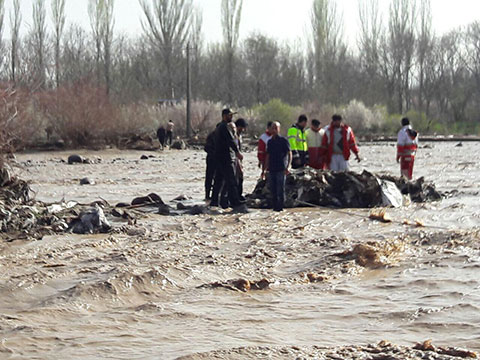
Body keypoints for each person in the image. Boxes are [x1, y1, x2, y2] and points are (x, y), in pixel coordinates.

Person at [210, 109, 245, 210]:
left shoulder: (219, 127)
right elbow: (230, 141)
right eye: (229, 115)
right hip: (226, 158)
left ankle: (214, 201)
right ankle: (235, 202)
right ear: (224, 116)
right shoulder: (224, 127)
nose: (231, 117)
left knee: (218, 181)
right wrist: (237, 152)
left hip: (220, 158)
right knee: (231, 180)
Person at [266, 122, 292, 212]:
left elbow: (289, 153)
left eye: (276, 128)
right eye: (272, 128)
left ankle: (280, 208)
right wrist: (264, 169)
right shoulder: (270, 142)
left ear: (279, 129)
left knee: (280, 190)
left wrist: (288, 166)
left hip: (281, 168)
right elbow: (268, 155)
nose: (274, 130)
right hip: (272, 169)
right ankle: (274, 208)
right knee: (273, 190)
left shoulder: (283, 140)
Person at [234, 118, 248, 200]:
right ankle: (237, 195)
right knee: (239, 176)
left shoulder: (240, 136)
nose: (243, 129)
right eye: (242, 128)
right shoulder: (234, 135)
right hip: (234, 158)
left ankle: (238, 194)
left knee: (239, 176)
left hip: (238, 158)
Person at [204, 129, 217, 200]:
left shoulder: (212, 135)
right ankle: (208, 195)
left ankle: (209, 195)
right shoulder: (213, 135)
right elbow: (206, 148)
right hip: (212, 159)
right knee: (211, 177)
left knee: (210, 178)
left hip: (212, 158)